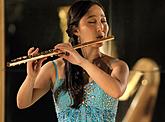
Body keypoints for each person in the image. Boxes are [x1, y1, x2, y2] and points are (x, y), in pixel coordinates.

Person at [16, 0, 129, 122]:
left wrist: (81, 62)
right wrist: (31, 77)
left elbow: (116, 91)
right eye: (92, 21)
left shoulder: (117, 66)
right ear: (76, 30)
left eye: (103, 21)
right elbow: (22, 103)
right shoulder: (54, 68)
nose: (100, 27)